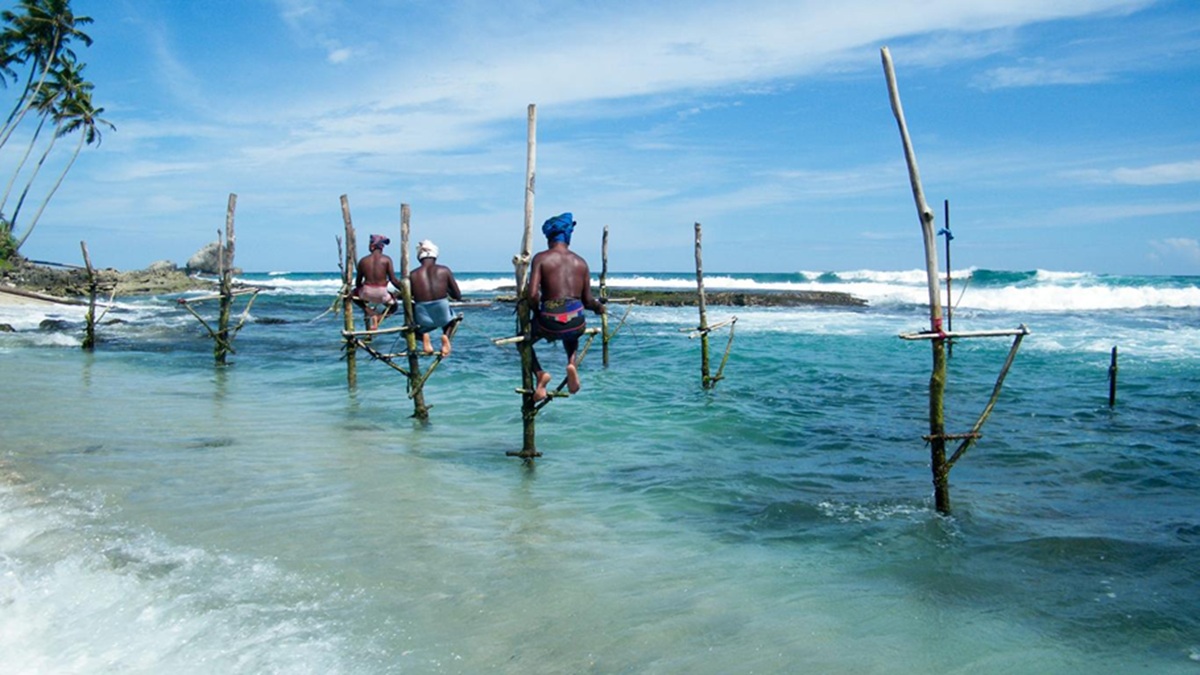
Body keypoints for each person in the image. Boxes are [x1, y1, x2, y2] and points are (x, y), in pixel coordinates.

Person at [526, 212, 605, 401]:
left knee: (525, 343)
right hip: (575, 321)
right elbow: (587, 301)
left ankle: (540, 374)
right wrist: (598, 308)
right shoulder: (581, 262)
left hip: (549, 321)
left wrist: (536, 313)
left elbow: (532, 294)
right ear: (568, 235)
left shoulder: (541, 258)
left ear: (549, 237)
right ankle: (571, 364)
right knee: (572, 333)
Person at [409, 239, 462, 357]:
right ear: (435, 255)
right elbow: (458, 296)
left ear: (419, 257)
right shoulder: (444, 270)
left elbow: (409, 295)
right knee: (452, 322)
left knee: (408, 331)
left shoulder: (413, 274)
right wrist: (445, 289)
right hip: (442, 311)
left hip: (423, 314)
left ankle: (423, 337)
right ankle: (445, 337)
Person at [354, 234, 403, 330]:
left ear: (372, 246)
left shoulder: (363, 261)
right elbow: (393, 280)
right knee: (394, 306)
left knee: (352, 295)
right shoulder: (387, 260)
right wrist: (404, 290)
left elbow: (358, 282)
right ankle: (380, 317)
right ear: (382, 247)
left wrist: (361, 292)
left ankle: (369, 311)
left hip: (366, 292)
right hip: (382, 294)